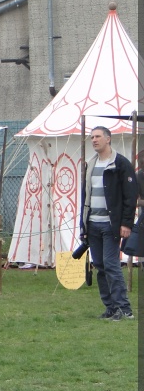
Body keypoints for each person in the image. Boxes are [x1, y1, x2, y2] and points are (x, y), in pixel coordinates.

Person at [80, 126, 136, 321]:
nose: (94, 140)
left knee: (111, 265)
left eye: (98, 137)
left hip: (110, 224)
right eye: (92, 137)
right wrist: (83, 225)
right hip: (93, 223)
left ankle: (124, 309)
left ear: (108, 139)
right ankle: (110, 307)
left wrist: (126, 223)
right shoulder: (91, 164)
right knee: (100, 266)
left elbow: (130, 196)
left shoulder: (121, 164)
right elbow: (85, 197)